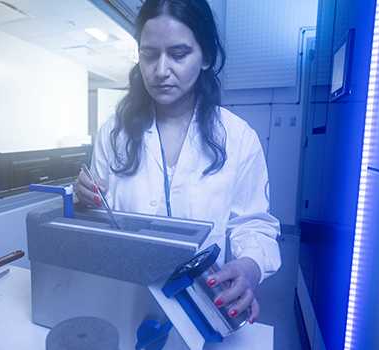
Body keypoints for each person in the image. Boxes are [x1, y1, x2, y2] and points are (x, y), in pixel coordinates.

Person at [75, 0, 281, 324]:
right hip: (123, 299)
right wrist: (84, 199)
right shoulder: (113, 133)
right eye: (149, 55)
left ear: (206, 57)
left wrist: (250, 267)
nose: (160, 71)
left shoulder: (239, 138)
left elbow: (253, 224)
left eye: (179, 54)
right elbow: (102, 221)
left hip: (202, 301)